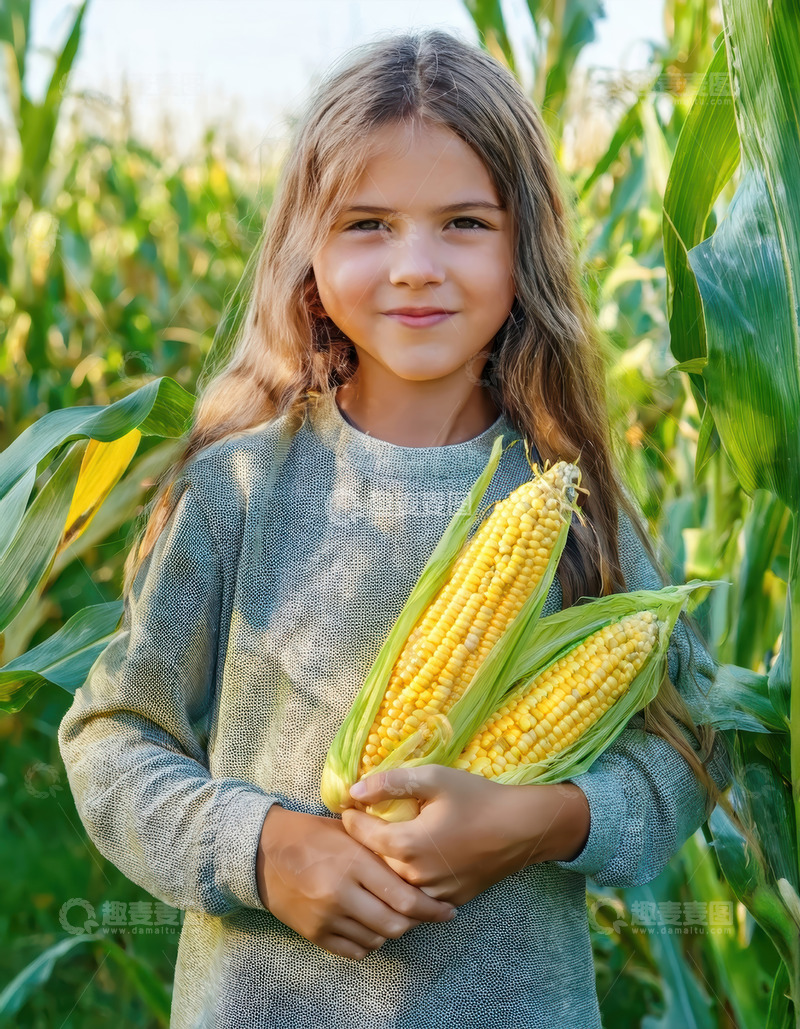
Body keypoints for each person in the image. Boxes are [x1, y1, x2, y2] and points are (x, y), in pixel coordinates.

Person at [58, 28, 731, 1029]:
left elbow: (689, 746)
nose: (415, 266)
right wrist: (265, 849)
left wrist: (544, 821)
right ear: (308, 249)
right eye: (367, 224)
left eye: (463, 222)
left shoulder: (571, 502)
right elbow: (113, 739)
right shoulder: (236, 489)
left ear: (525, 245)